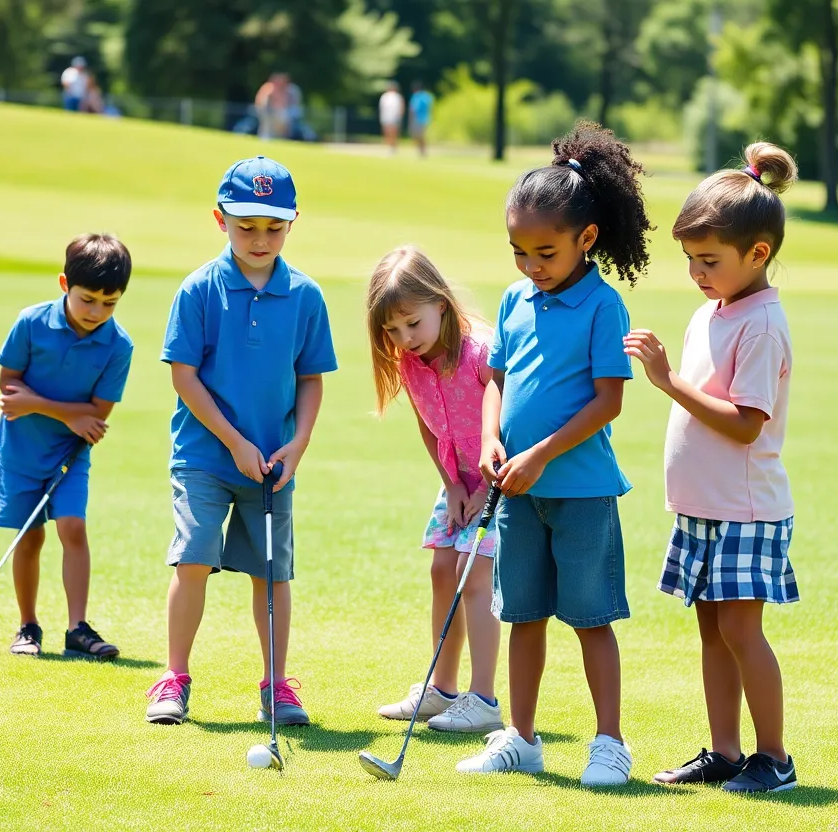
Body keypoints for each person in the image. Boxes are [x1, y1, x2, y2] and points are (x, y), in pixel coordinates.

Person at [461, 120, 652, 784]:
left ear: (586, 239)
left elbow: (608, 402)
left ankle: (609, 743)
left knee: (590, 617)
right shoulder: (515, 300)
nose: (531, 266)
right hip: (518, 490)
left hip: (580, 490)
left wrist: (539, 453)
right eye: (518, 252)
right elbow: (496, 379)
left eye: (545, 252)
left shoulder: (604, 307)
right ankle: (521, 736)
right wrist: (490, 438)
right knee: (523, 615)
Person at [625, 143, 801, 794]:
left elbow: (743, 421)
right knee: (710, 626)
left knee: (739, 627)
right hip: (704, 504)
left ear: (757, 253)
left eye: (710, 260)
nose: (698, 273)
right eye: (691, 260)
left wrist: (666, 381)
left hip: (746, 508)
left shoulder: (761, 323)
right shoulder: (714, 311)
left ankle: (773, 758)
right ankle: (725, 752)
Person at [147, 156, 338, 727]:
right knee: (194, 559)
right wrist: (232, 442)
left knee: (273, 572)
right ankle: (174, 678)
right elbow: (184, 376)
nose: (259, 239)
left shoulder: (305, 295)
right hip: (206, 454)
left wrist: (298, 444)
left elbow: (310, 379)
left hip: (274, 461)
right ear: (220, 219)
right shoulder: (200, 289)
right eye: (245, 225)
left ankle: (277, 685)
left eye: (273, 227)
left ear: (293, 222)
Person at [367, 246, 504, 735]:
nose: (405, 339)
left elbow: (506, 417)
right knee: (442, 569)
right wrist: (450, 485)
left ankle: (483, 697)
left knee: (475, 578)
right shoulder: (411, 362)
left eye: (412, 324)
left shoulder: (481, 351)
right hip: (457, 482)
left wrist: (480, 486)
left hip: (497, 480)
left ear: (440, 303)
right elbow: (430, 427)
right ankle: (443, 689)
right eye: (393, 330)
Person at [0, 234, 134, 660]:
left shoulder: (118, 346)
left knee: (72, 527)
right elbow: (8, 389)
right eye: (88, 299)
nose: (97, 312)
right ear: (64, 284)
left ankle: (77, 627)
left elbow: (97, 415)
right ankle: (28, 625)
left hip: (70, 454)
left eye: (110, 303)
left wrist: (42, 405)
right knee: (29, 536)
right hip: (19, 452)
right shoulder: (31, 322)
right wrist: (65, 412)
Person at [408, 82, 434, 157]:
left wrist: (410, 121)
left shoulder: (416, 97)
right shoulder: (427, 96)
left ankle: (421, 151)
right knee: (421, 135)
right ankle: (422, 150)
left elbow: (413, 110)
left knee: (418, 136)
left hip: (418, 119)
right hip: (426, 118)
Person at [379, 82, 405, 153]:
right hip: (386, 117)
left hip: (394, 117)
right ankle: (390, 146)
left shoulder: (398, 97)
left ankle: (394, 147)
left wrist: (400, 116)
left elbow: (401, 107)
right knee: (387, 133)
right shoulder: (384, 97)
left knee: (394, 133)